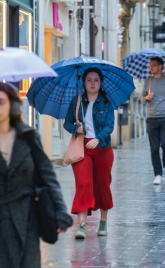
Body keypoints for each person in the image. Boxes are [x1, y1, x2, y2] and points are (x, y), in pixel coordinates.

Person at [0, 83, 72, 268]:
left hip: (24, 222)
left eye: (0, 102)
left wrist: (60, 212)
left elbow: (47, 177)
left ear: (12, 106)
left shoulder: (27, 137)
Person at [64, 67, 115, 239]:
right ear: (83, 82)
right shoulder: (76, 101)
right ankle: (82, 226)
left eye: (96, 80)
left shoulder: (107, 103)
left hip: (102, 148)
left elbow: (110, 125)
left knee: (103, 185)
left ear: (101, 83)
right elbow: (67, 123)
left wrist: (98, 138)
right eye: (89, 80)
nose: (92, 83)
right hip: (82, 147)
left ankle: (103, 221)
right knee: (83, 183)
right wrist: (77, 128)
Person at [141, 57, 165, 185]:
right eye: (150, 65)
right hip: (152, 118)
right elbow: (141, 100)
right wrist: (147, 97)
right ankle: (158, 174)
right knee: (154, 148)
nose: (151, 67)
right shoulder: (147, 82)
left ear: (160, 66)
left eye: (153, 65)